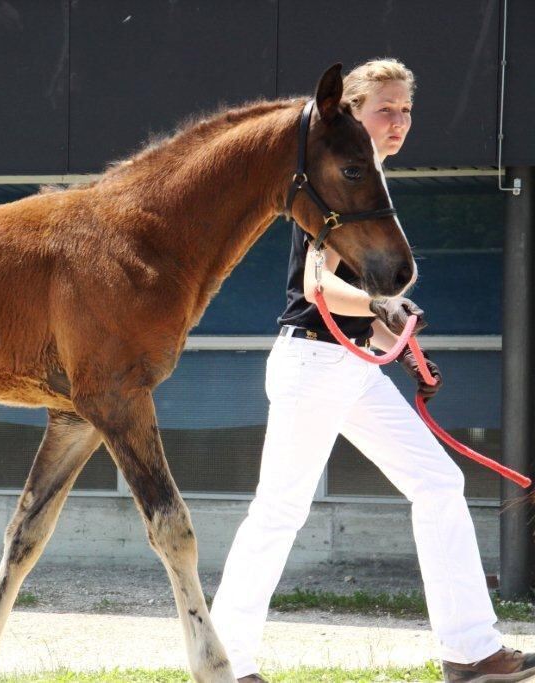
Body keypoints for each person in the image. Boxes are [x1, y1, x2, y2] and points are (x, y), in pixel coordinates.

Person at [210, 58, 535, 683]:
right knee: (281, 509)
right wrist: (385, 305)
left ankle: (471, 653)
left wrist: (399, 339)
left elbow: (364, 303)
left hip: (351, 366)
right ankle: (222, 661)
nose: (400, 121)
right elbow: (318, 286)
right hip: (314, 362)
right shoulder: (340, 180)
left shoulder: (373, 185)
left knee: (438, 485)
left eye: (406, 110)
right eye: (386, 108)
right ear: (353, 112)